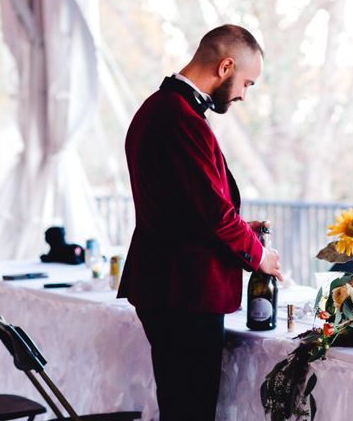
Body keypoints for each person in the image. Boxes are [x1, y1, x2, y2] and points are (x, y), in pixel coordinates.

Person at [118, 24, 283, 420]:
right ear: (225, 66)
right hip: (184, 290)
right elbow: (212, 213)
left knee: (182, 405)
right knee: (190, 410)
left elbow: (189, 206)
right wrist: (258, 255)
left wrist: (243, 227)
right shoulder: (179, 118)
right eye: (247, 82)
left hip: (169, 285)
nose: (244, 93)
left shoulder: (158, 108)